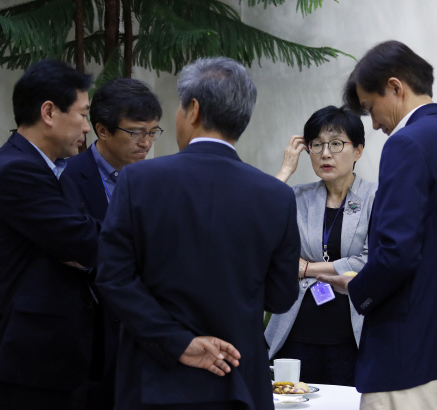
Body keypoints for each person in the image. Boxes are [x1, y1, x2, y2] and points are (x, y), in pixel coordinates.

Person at [95, 57, 300, 410]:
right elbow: (282, 296)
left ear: (193, 109)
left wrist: (178, 342)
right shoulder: (276, 196)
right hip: (239, 381)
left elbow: (113, 279)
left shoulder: (139, 181)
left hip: (155, 380)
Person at [318, 40, 437, 410]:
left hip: (411, 351)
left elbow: (397, 251)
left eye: (371, 108)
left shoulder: (408, 144)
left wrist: (359, 289)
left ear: (396, 87)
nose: (375, 123)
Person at [0, 59, 102, 410]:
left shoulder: (44, 168)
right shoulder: (16, 170)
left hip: (54, 361)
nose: (86, 128)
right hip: (29, 364)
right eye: (82, 115)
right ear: (49, 112)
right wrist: (81, 247)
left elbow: (77, 239)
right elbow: (85, 241)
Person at [65, 77, 163, 410]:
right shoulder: (68, 177)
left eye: (152, 132)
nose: (146, 142)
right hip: (87, 335)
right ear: (102, 130)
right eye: (136, 132)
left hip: (144, 335)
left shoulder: (157, 180)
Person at [264, 106, 377, 386]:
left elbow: (371, 259)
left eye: (336, 144)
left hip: (353, 334)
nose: (326, 153)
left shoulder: (377, 196)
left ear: (358, 151)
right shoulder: (297, 197)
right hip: (295, 332)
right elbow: (258, 237)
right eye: (316, 145)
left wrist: (306, 269)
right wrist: (285, 170)